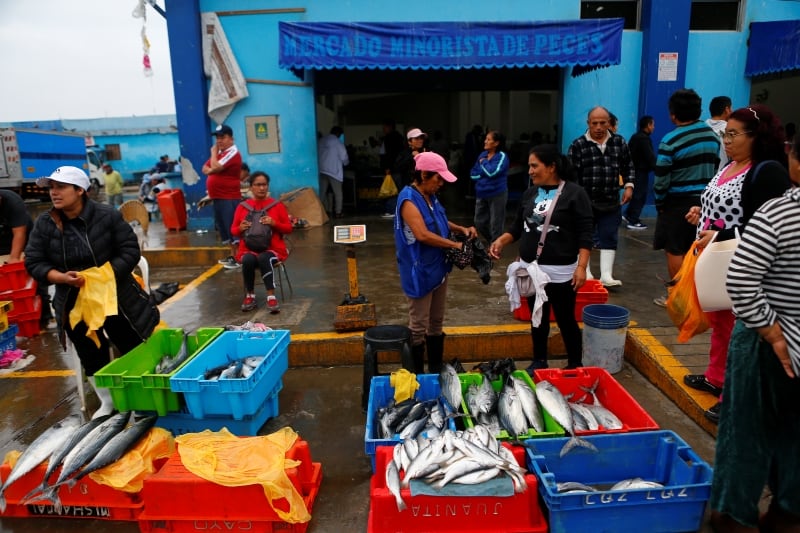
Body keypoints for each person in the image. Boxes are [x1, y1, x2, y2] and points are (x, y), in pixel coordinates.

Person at [707, 134, 800, 533]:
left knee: (746, 432)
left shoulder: (779, 214)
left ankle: (735, 516)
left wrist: (772, 332)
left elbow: (741, 280)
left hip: (768, 344)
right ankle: (789, 513)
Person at [24, 166, 159, 419]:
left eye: (60, 187)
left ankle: (140, 398)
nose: (54, 192)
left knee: (130, 344)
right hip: (72, 299)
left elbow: (130, 251)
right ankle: (107, 402)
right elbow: (34, 262)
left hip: (116, 293)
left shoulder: (106, 216)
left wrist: (102, 277)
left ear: (80, 190)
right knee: (89, 350)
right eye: (51, 187)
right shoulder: (44, 223)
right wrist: (60, 277)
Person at [683, 104, 791, 423]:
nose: (727, 141)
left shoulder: (767, 170)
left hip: (745, 264)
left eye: (733, 134)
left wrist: (719, 233)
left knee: (739, 333)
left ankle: (732, 396)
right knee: (720, 324)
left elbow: (768, 224)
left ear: (756, 136)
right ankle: (715, 377)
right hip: (718, 261)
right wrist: (700, 216)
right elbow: (721, 209)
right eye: (724, 134)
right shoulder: (729, 166)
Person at [489, 145, 593, 371]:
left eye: (534, 166)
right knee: (538, 318)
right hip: (531, 269)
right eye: (529, 166)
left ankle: (575, 364)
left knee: (566, 319)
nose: (530, 171)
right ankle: (539, 361)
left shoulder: (575, 194)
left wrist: (582, 266)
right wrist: (501, 240)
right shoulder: (530, 193)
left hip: (561, 272)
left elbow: (586, 233)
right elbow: (517, 227)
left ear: (552, 167)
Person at [394, 151, 477, 374]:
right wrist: (454, 246)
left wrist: (460, 228)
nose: (440, 184)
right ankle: (419, 377)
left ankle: (436, 370)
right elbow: (421, 234)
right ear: (423, 174)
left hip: (438, 268)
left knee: (436, 322)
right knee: (418, 326)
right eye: (437, 178)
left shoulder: (430, 197)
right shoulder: (409, 200)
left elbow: (438, 219)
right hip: (419, 271)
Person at [652, 88, 719, 307]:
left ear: (673, 114)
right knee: (699, 247)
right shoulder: (712, 137)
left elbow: (661, 178)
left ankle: (678, 297)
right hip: (706, 202)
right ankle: (698, 295)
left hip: (677, 203)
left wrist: (660, 202)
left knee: (675, 249)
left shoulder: (670, 140)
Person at [567, 106, 634, 287]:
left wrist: (629, 186)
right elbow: (571, 175)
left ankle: (606, 275)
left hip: (611, 199)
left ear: (609, 123)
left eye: (602, 123)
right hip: (585, 201)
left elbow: (628, 166)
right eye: (594, 123)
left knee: (609, 235)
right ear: (588, 123)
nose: (598, 127)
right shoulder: (578, 145)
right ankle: (585, 271)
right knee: (584, 236)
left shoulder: (619, 142)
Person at [231, 171, 293, 314]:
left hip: (273, 249)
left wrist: (274, 223)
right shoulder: (242, 207)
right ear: (251, 187)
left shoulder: (277, 205)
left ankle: (271, 296)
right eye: (258, 185)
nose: (261, 188)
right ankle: (250, 296)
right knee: (247, 260)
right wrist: (240, 228)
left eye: (264, 185)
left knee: (264, 257)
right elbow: (233, 230)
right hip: (248, 249)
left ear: (268, 186)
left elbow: (289, 228)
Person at [0, 189, 54, 329]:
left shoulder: (12, 201)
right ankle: (9, 323)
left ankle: (44, 319)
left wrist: (14, 259)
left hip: (26, 240)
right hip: (2, 244)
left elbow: (19, 233)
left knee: (36, 279)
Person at [202, 124, 243, 269]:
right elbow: (205, 168)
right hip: (218, 197)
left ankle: (239, 258)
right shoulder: (222, 154)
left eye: (223, 137)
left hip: (229, 198)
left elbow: (216, 167)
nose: (219, 141)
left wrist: (213, 153)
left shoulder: (232, 153)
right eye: (218, 138)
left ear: (231, 138)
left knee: (233, 229)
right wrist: (213, 166)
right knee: (225, 229)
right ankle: (233, 256)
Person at [470, 130, 510, 243]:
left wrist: (483, 163)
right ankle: (492, 241)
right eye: (485, 139)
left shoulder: (501, 156)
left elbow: (492, 172)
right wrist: (486, 171)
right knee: (479, 222)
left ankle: (495, 247)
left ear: (496, 143)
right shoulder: (482, 155)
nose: (485, 141)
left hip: (497, 193)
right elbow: (473, 174)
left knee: (496, 224)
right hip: (481, 193)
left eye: (488, 139)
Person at [385, 128, 428, 219]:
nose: (420, 140)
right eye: (416, 139)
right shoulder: (404, 154)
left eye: (421, 138)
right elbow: (397, 167)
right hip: (409, 188)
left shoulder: (426, 151)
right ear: (409, 141)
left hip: (424, 188)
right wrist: (412, 157)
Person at [624, 115, 656, 229]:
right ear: (648, 125)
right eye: (652, 125)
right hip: (640, 172)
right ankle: (633, 220)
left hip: (634, 170)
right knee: (639, 195)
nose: (653, 128)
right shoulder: (644, 139)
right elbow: (650, 156)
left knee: (636, 194)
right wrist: (657, 168)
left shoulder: (636, 137)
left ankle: (629, 215)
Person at [317, 126, 349, 219]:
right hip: (334, 171)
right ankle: (338, 212)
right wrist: (346, 163)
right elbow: (344, 157)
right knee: (338, 193)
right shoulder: (338, 142)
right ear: (338, 134)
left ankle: (319, 213)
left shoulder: (321, 140)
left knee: (322, 193)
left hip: (322, 170)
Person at [705, 96, 732, 172]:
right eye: (731, 108)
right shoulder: (729, 130)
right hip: (722, 176)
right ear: (727, 110)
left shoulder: (702, 129)